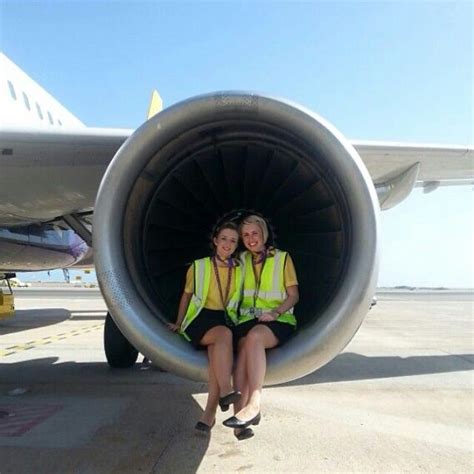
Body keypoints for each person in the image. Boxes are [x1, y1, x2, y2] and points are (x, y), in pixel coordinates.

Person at [223, 215, 299, 439]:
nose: (250, 239)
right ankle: (240, 423)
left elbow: (294, 296)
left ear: (264, 234)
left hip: (277, 320)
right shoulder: (241, 260)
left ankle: (255, 402)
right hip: (246, 321)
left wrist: (275, 312)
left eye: (255, 233)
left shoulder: (283, 259)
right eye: (245, 235)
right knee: (243, 352)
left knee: (254, 338)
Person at [168, 221, 242, 433]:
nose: (228, 244)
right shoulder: (199, 266)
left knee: (216, 355)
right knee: (223, 336)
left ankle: (209, 414)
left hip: (224, 318)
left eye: (233, 241)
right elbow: (187, 295)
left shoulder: (240, 269)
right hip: (200, 319)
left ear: (236, 246)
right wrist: (180, 322)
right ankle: (227, 391)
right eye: (224, 239)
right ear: (215, 241)